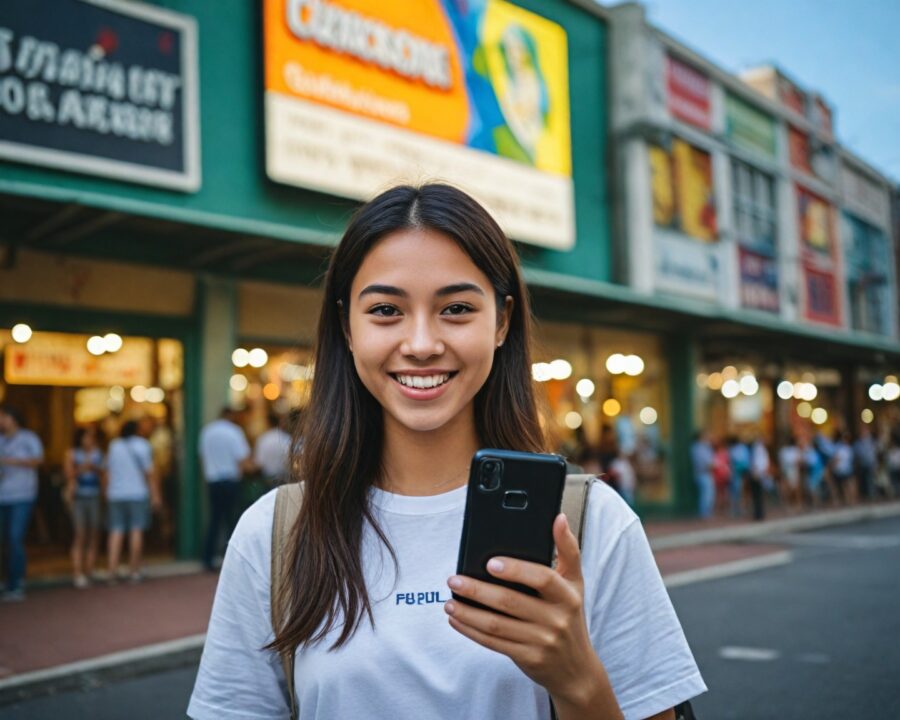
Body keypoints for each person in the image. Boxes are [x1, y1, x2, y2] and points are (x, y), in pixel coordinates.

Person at [188, 184, 705, 719]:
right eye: (386, 309)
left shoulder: (590, 523)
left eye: (456, 308)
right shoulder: (275, 533)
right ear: (346, 326)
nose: (420, 343)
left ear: (502, 322)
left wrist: (577, 680)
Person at [105, 420, 160, 582]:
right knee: (136, 530)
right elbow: (149, 473)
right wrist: (156, 495)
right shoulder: (143, 445)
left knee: (116, 531)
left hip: (115, 493)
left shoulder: (114, 446)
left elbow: (107, 471)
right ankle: (134, 570)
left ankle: (111, 571)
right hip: (137, 493)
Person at [199, 406, 253, 571]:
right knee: (233, 522)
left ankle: (208, 558)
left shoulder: (207, 432)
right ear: (231, 416)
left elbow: (201, 457)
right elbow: (243, 460)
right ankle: (233, 561)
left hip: (213, 481)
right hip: (230, 481)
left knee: (215, 520)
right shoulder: (234, 432)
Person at [0, 406, 44, 602]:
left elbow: (38, 460)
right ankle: (8, 579)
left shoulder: (29, 438)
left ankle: (16, 582)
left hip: (23, 495)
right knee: (4, 540)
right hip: (3, 495)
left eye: (3, 416)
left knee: (15, 538)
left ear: (13, 418)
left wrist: (10, 461)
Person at [64, 426, 105, 588]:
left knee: (94, 534)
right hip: (78, 498)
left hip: (94, 496)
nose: (90, 440)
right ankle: (77, 572)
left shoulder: (98, 453)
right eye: (87, 437)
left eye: (92, 437)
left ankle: (90, 569)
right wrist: (82, 467)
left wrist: (95, 468)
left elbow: (105, 474)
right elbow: (67, 475)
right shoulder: (72, 453)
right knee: (80, 534)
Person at [253, 412, 291, 486]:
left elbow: (259, 463)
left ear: (268, 423)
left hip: (268, 479)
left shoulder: (263, 439)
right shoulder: (286, 438)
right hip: (285, 478)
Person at [690, 430, 714, 519]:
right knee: (706, 495)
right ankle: (704, 514)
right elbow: (706, 463)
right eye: (705, 436)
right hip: (702, 474)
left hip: (705, 474)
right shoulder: (698, 448)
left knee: (707, 494)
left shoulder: (705, 447)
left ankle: (706, 513)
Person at [777, 434, 802, 511]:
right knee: (790, 489)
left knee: (795, 489)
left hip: (792, 471)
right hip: (789, 471)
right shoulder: (784, 451)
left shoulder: (793, 450)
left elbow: (798, 461)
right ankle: (792, 505)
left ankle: (797, 504)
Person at [830, 431, 855, 506]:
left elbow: (837, 459)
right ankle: (850, 500)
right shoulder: (845, 447)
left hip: (844, 469)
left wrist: (832, 466)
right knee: (847, 485)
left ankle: (850, 500)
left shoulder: (844, 448)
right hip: (844, 469)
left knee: (847, 485)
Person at [853, 427, 878, 502]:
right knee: (865, 480)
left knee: (872, 479)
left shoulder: (871, 441)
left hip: (871, 463)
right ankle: (868, 495)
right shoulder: (858, 443)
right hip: (863, 464)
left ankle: (873, 494)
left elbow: (875, 452)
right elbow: (856, 454)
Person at [727, 435, 750, 517]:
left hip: (737, 473)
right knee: (740, 491)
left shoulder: (731, 450)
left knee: (737, 492)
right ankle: (740, 509)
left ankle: (737, 509)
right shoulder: (742, 448)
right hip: (740, 472)